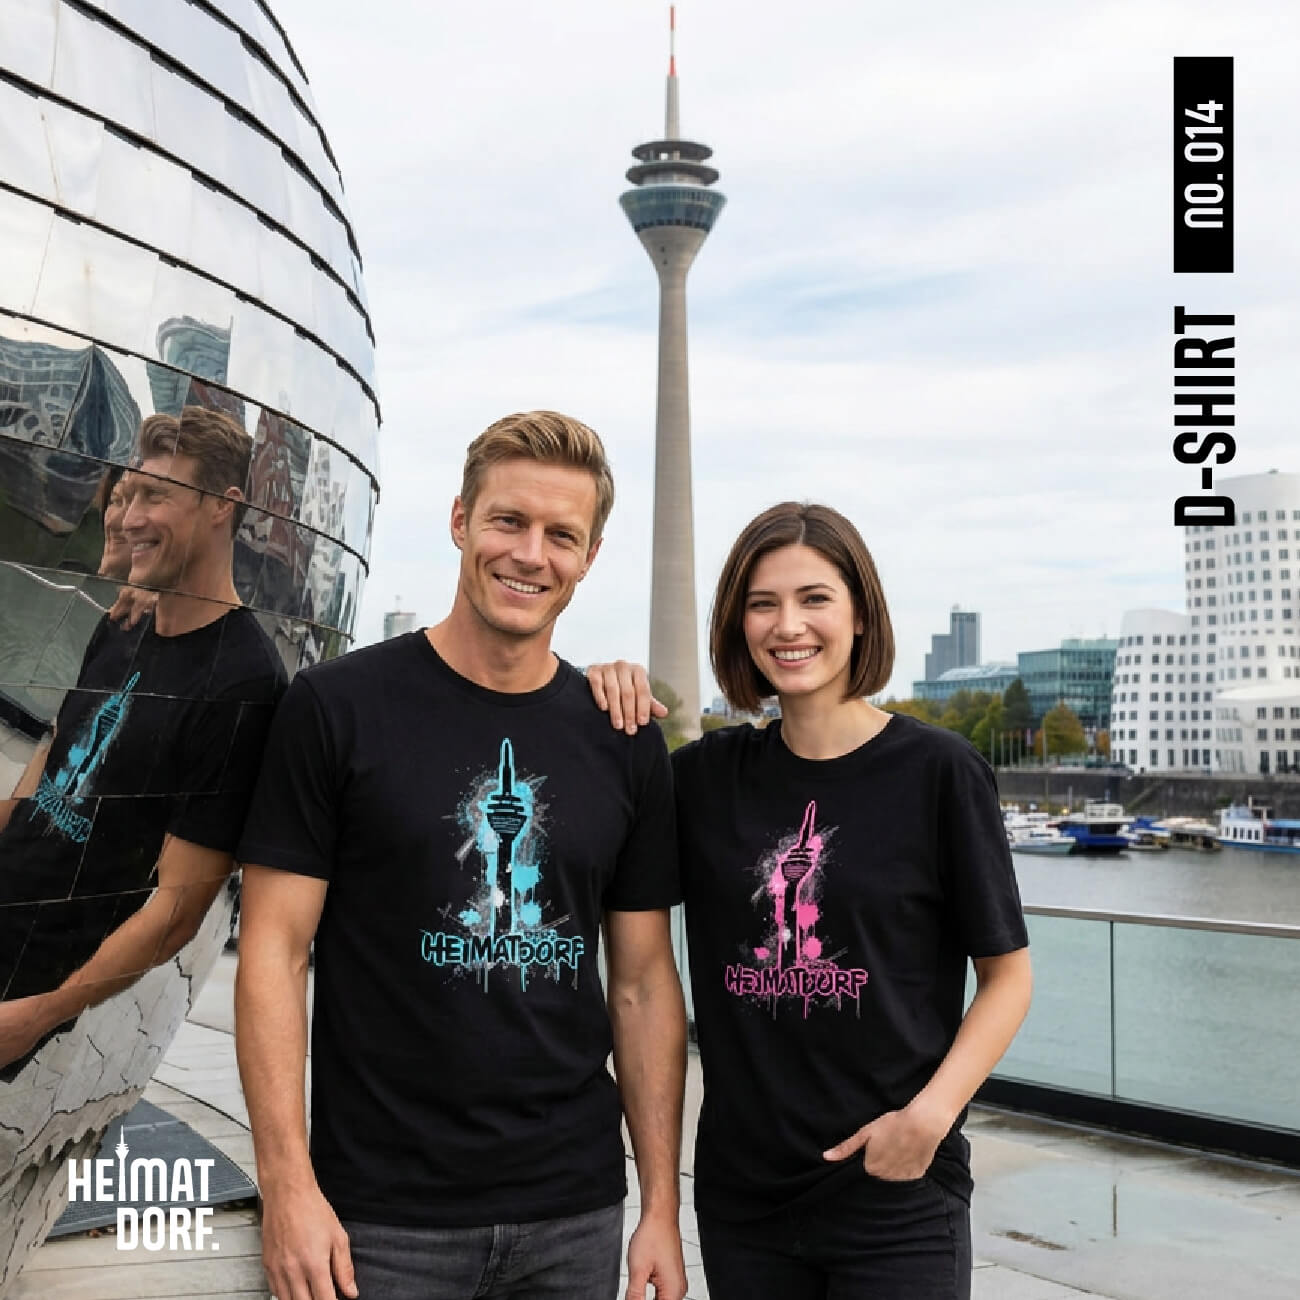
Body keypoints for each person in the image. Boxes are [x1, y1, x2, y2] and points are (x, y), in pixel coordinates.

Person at [234, 411, 689, 1300]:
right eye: (508, 521)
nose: (530, 554)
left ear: (590, 557)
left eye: (562, 535)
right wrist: (287, 1186)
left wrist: (663, 1208)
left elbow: (641, 985)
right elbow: (273, 952)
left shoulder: (624, 739)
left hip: (575, 1215)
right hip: (380, 1221)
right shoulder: (336, 708)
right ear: (459, 520)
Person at [588, 501, 1032, 1300]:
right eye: (763, 603)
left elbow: (1008, 978)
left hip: (894, 1196)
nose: (788, 625)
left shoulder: (939, 772)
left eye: (814, 598)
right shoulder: (702, 781)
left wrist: (928, 1119)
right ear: (739, 625)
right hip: (745, 1204)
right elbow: (594, 808)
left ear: (860, 614)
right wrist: (596, 687)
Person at [0, 406, 286, 1072]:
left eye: (156, 496)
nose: (129, 518)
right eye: (129, 495)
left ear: (222, 505)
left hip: (27, 974)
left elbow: (177, 911)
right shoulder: (125, 622)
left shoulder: (246, 683)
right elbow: (50, 761)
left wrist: (37, 1015)